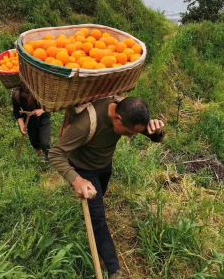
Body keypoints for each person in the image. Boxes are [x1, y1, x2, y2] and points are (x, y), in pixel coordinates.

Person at [49, 97, 165, 279]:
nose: (131, 136)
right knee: (98, 218)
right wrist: (76, 180)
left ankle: (97, 224)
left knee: (99, 200)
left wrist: (156, 133)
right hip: (84, 169)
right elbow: (55, 153)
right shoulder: (86, 124)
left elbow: (143, 132)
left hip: (104, 166)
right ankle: (113, 269)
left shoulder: (127, 116)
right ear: (117, 118)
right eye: (129, 133)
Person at [12, 82, 51, 161]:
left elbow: (51, 105)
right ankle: (39, 154)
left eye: (28, 97)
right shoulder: (16, 96)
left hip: (43, 118)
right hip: (29, 120)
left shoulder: (41, 92)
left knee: (45, 143)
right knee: (34, 141)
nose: (26, 98)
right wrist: (22, 125)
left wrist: (42, 110)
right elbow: (16, 112)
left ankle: (48, 158)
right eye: (24, 97)